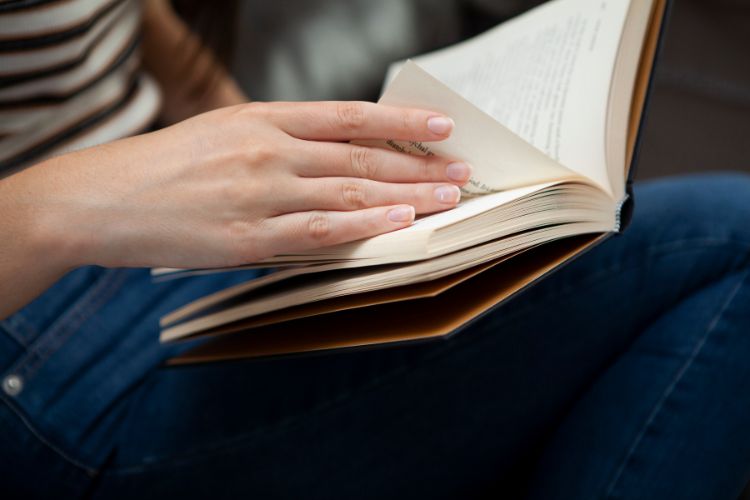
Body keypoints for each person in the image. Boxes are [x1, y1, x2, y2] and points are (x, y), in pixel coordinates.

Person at [1, 1, 749, 498]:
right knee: (732, 238)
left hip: (176, 250)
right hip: (40, 320)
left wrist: (240, 132)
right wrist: (74, 203)